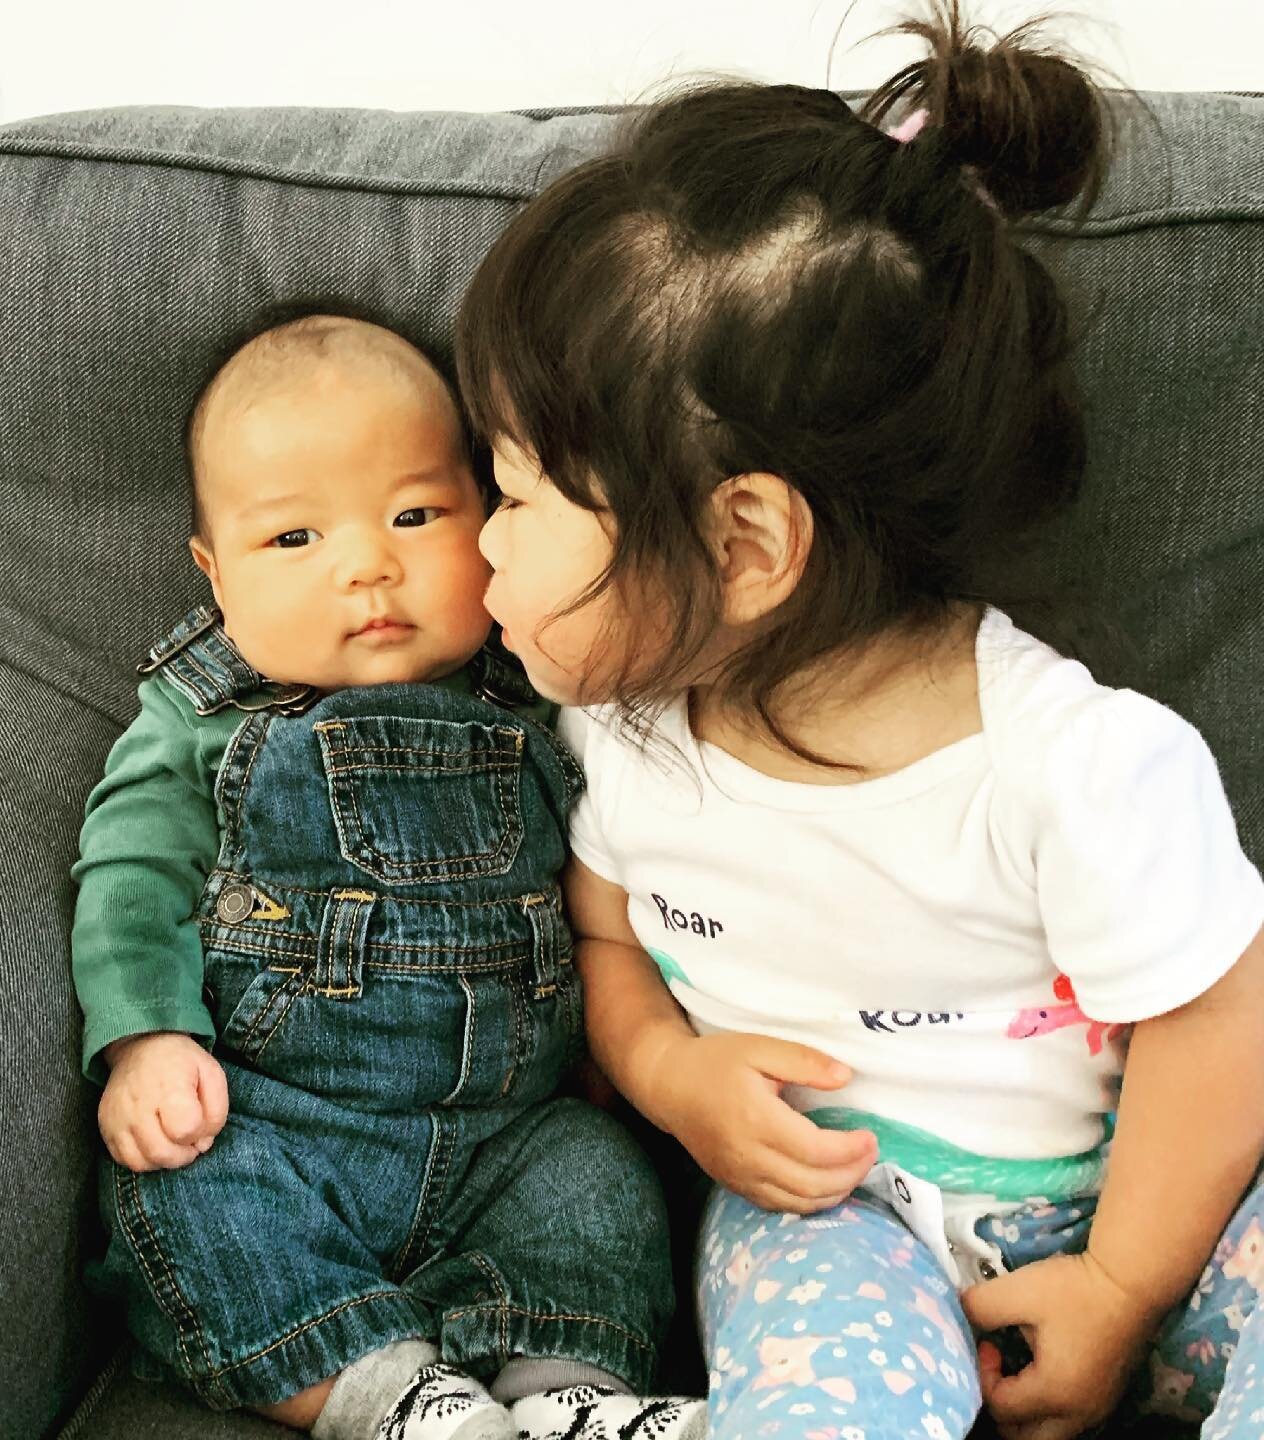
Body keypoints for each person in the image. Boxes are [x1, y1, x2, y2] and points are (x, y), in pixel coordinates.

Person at [452, 5, 1264, 1439]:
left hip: (1166, 1209)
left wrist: (1127, 1285)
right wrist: (670, 1072)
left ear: (746, 544)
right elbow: (603, 936)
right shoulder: (626, 740)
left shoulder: (1074, 766)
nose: (479, 550)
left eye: (518, 494)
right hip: (839, 1220)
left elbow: (1221, 1026)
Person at [69, 311, 676, 1439]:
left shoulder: (539, 684)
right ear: (214, 572)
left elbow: (611, 880)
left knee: (597, 1177)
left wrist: (606, 1037)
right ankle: (385, 1397)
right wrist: (147, 1035)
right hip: (281, 1121)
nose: (366, 566)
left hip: (510, 1130)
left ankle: (562, 1394)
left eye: (414, 515)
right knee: (179, 1186)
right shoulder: (204, 713)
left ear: (490, 521)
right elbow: (131, 870)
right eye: (293, 541)